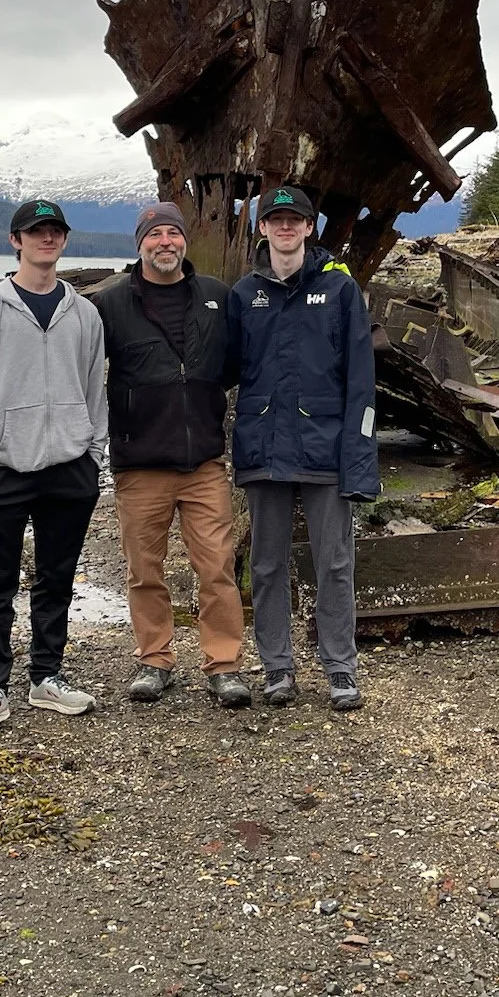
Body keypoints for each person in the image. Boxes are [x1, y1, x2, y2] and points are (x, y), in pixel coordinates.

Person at [0, 198, 108, 735]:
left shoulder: (83, 313)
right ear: (15, 241)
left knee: (57, 578)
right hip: (2, 470)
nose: (47, 240)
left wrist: (93, 455)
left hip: (69, 467)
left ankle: (46, 677)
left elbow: (94, 389)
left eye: (55, 231)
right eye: (36, 232)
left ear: (64, 241)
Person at [226, 184, 378, 713]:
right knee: (267, 564)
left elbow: (362, 379)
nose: (285, 227)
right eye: (276, 219)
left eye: (295, 220)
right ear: (262, 228)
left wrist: (360, 459)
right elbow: (222, 371)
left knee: (334, 561)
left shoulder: (339, 290)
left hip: (325, 445)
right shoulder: (244, 294)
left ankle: (340, 668)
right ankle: (278, 669)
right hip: (264, 446)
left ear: (310, 228)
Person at [95, 201, 251, 708]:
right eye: (155, 234)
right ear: (139, 243)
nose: (166, 242)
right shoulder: (111, 303)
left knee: (217, 568)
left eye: (173, 234)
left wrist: (195, 396)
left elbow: (232, 365)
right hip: (140, 464)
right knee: (145, 571)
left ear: (185, 241)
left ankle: (224, 665)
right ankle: (154, 660)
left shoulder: (215, 297)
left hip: (204, 462)